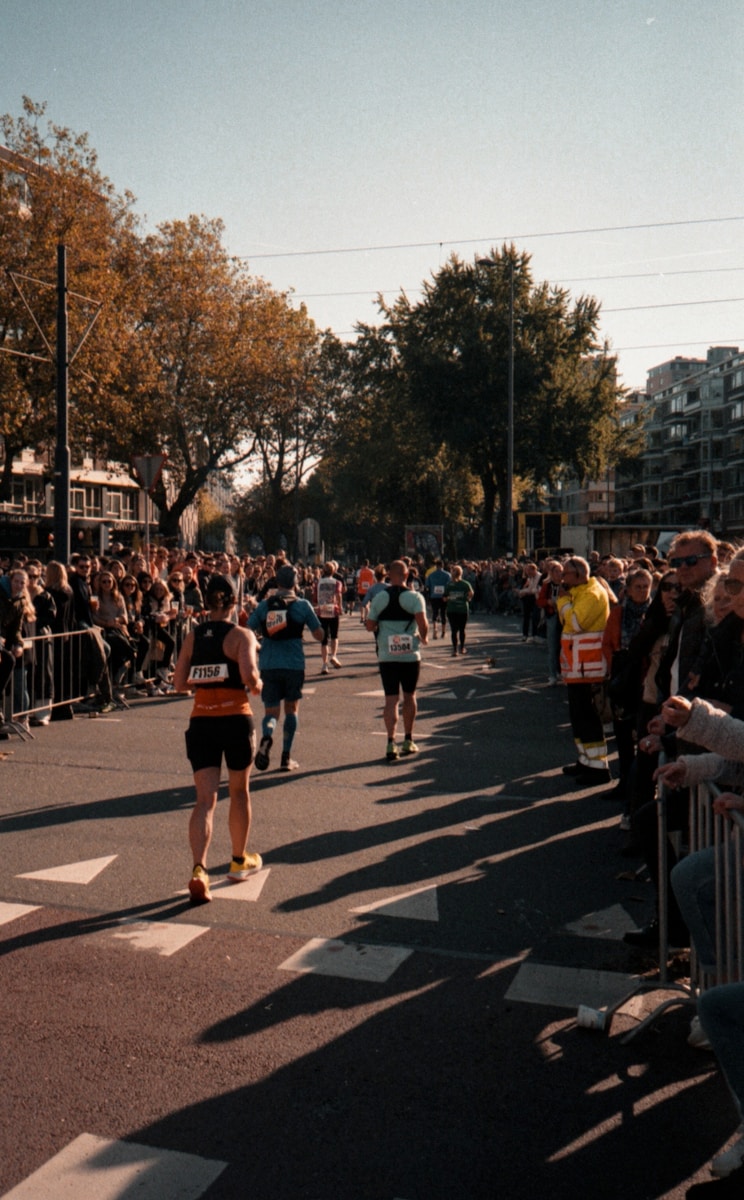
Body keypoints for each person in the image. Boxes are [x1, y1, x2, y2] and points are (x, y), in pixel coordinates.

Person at [625, 530, 718, 948]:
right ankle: (677, 926)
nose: (679, 571)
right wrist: (667, 716)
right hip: (684, 734)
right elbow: (676, 672)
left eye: (688, 562)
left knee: (687, 840)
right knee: (657, 822)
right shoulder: (685, 608)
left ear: (711, 561)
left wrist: (689, 717)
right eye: (674, 563)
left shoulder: (711, 614)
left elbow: (706, 677)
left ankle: (688, 932)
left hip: (710, 746)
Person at [172, 574, 263, 905]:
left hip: (202, 721)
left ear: (206, 603)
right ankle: (239, 860)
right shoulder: (242, 634)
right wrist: (257, 686)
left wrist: (205, 677)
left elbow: (179, 682)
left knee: (203, 801)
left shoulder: (193, 637)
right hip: (236, 718)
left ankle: (199, 869)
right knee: (239, 790)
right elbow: (249, 674)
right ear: (234, 602)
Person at [248, 565, 323, 772]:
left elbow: (248, 629)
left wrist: (258, 644)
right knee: (291, 709)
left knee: (271, 711)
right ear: (295, 582)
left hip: (269, 663)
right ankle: (286, 757)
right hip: (293, 664)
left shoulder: (264, 605)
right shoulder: (302, 605)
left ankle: (268, 735)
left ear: (277, 582)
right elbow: (319, 635)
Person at [366, 559, 428, 761]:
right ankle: (409, 739)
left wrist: (378, 626)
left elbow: (369, 625)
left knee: (390, 700)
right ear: (407, 575)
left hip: (387, 655)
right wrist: (424, 637)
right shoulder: (415, 597)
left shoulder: (380, 598)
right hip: (410, 654)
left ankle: (391, 743)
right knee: (410, 696)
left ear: (389, 576)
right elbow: (423, 623)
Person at [557, 556, 611, 785]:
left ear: (579, 574)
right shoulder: (579, 592)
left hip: (588, 668)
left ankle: (598, 768)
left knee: (588, 720)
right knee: (578, 719)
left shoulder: (591, 593)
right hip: (577, 669)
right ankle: (585, 761)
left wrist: (562, 604)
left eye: (566, 574)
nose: (562, 579)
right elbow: (566, 622)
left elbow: (575, 622)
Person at [313, 562, 344, 674]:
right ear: (333, 571)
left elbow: (315, 598)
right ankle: (334, 656)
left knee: (324, 640)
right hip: (333, 610)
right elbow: (338, 595)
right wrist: (340, 607)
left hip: (322, 611)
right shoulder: (337, 582)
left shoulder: (318, 583)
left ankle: (324, 664)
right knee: (335, 635)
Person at [443, 564, 474, 656]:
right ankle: (462, 648)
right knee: (462, 629)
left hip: (451, 609)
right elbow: (471, 593)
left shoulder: (449, 585)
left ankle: (454, 650)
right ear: (461, 573)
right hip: (463, 609)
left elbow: (444, 598)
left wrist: (451, 597)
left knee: (453, 630)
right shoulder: (465, 584)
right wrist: (468, 598)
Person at [425, 558, 451, 640]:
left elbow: (427, 586)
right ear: (443, 566)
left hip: (434, 596)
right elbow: (449, 585)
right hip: (444, 596)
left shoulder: (431, 575)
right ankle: (443, 632)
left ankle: (435, 630)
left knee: (435, 613)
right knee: (443, 613)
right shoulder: (447, 575)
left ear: (436, 566)